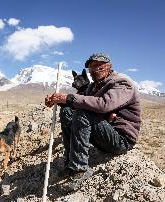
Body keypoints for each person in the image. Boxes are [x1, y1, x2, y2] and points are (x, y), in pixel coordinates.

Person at [45, 52, 141, 186]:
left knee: (83, 113)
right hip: (103, 133)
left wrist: (68, 98)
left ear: (109, 66)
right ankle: (70, 163)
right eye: (90, 67)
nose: (93, 70)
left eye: (98, 66)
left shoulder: (122, 83)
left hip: (121, 140)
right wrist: (57, 100)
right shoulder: (93, 86)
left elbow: (103, 104)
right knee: (67, 111)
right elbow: (79, 101)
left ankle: (80, 170)